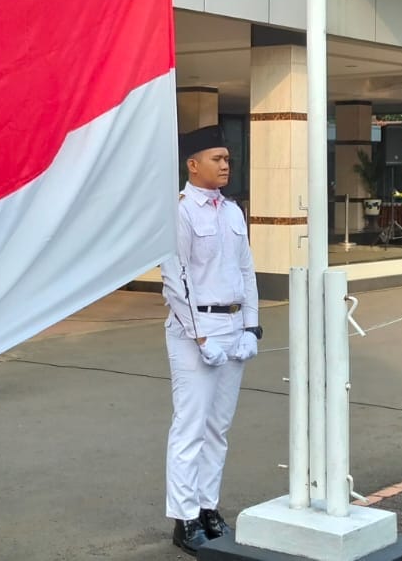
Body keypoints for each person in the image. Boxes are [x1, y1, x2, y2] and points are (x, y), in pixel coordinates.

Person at [160, 124, 260, 554]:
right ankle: (184, 519)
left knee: (218, 428)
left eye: (227, 159)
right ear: (192, 164)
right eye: (217, 159)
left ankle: (207, 508)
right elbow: (174, 279)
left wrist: (252, 327)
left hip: (233, 329)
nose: (225, 165)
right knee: (190, 427)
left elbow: (247, 271)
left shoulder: (232, 211)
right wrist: (201, 338)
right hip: (193, 332)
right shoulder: (179, 211)